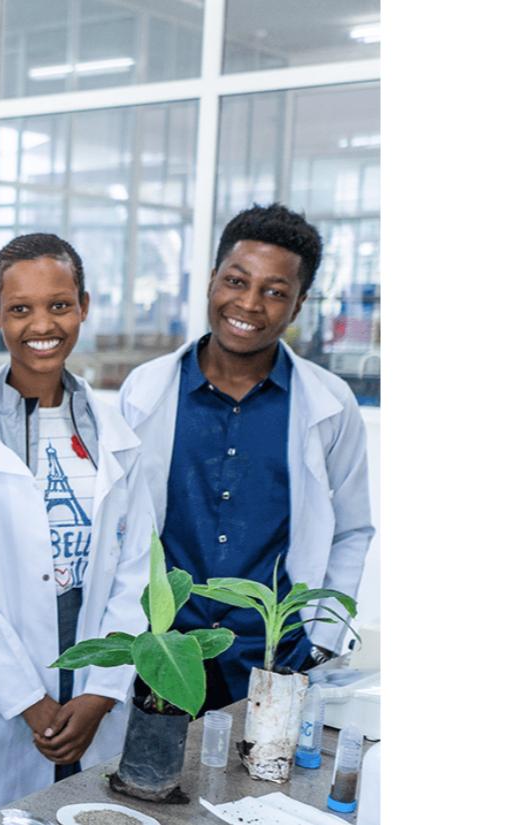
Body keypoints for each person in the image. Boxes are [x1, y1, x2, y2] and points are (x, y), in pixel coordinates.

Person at [0, 234, 153, 824]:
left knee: (80, 807)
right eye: (20, 309)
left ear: (84, 307)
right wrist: (29, 701)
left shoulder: (118, 433)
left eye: (59, 305)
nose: (42, 324)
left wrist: (99, 693)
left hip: (88, 659)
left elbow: (137, 570)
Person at [118, 203, 374, 710]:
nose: (250, 304)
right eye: (237, 281)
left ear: (298, 306)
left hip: (277, 659)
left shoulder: (329, 403)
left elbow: (352, 529)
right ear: (213, 280)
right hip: (163, 653)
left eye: (275, 292)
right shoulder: (144, 391)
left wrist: (321, 639)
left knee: (263, 789)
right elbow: (119, 529)